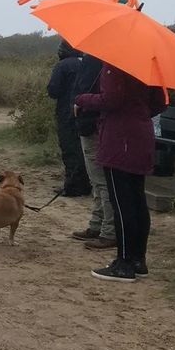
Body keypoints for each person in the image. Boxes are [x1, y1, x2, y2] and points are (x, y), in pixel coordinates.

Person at [74, 64, 167, 282]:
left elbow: (111, 99)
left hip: (119, 140)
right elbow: (160, 103)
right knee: (136, 200)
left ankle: (124, 263)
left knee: (122, 202)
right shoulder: (150, 67)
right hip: (141, 135)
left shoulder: (115, 65)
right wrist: (138, 112)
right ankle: (138, 260)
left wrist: (82, 99)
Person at [71, 53, 117, 249]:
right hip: (96, 125)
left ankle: (108, 231)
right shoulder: (108, 59)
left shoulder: (96, 59)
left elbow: (103, 96)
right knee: (97, 181)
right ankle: (97, 225)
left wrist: (80, 101)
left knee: (101, 181)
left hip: (92, 125)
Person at [47, 40, 91, 197]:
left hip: (66, 113)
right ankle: (86, 184)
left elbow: (53, 90)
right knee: (83, 150)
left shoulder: (63, 65)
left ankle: (72, 186)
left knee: (69, 149)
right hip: (85, 113)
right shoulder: (86, 63)